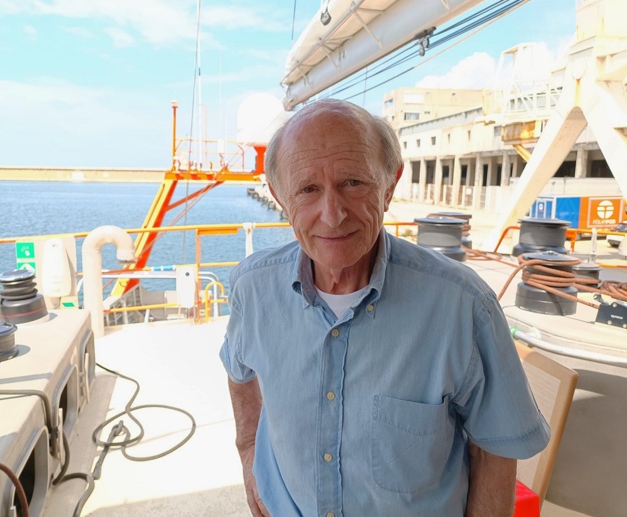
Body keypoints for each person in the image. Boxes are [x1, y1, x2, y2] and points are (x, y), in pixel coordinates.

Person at [220, 99, 550, 516]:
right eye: (307, 189)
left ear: (390, 185)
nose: (333, 214)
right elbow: (238, 372)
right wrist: (249, 454)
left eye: (353, 182)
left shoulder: (462, 306)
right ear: (281, 197)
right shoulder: (253, 289)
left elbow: (496, 452)